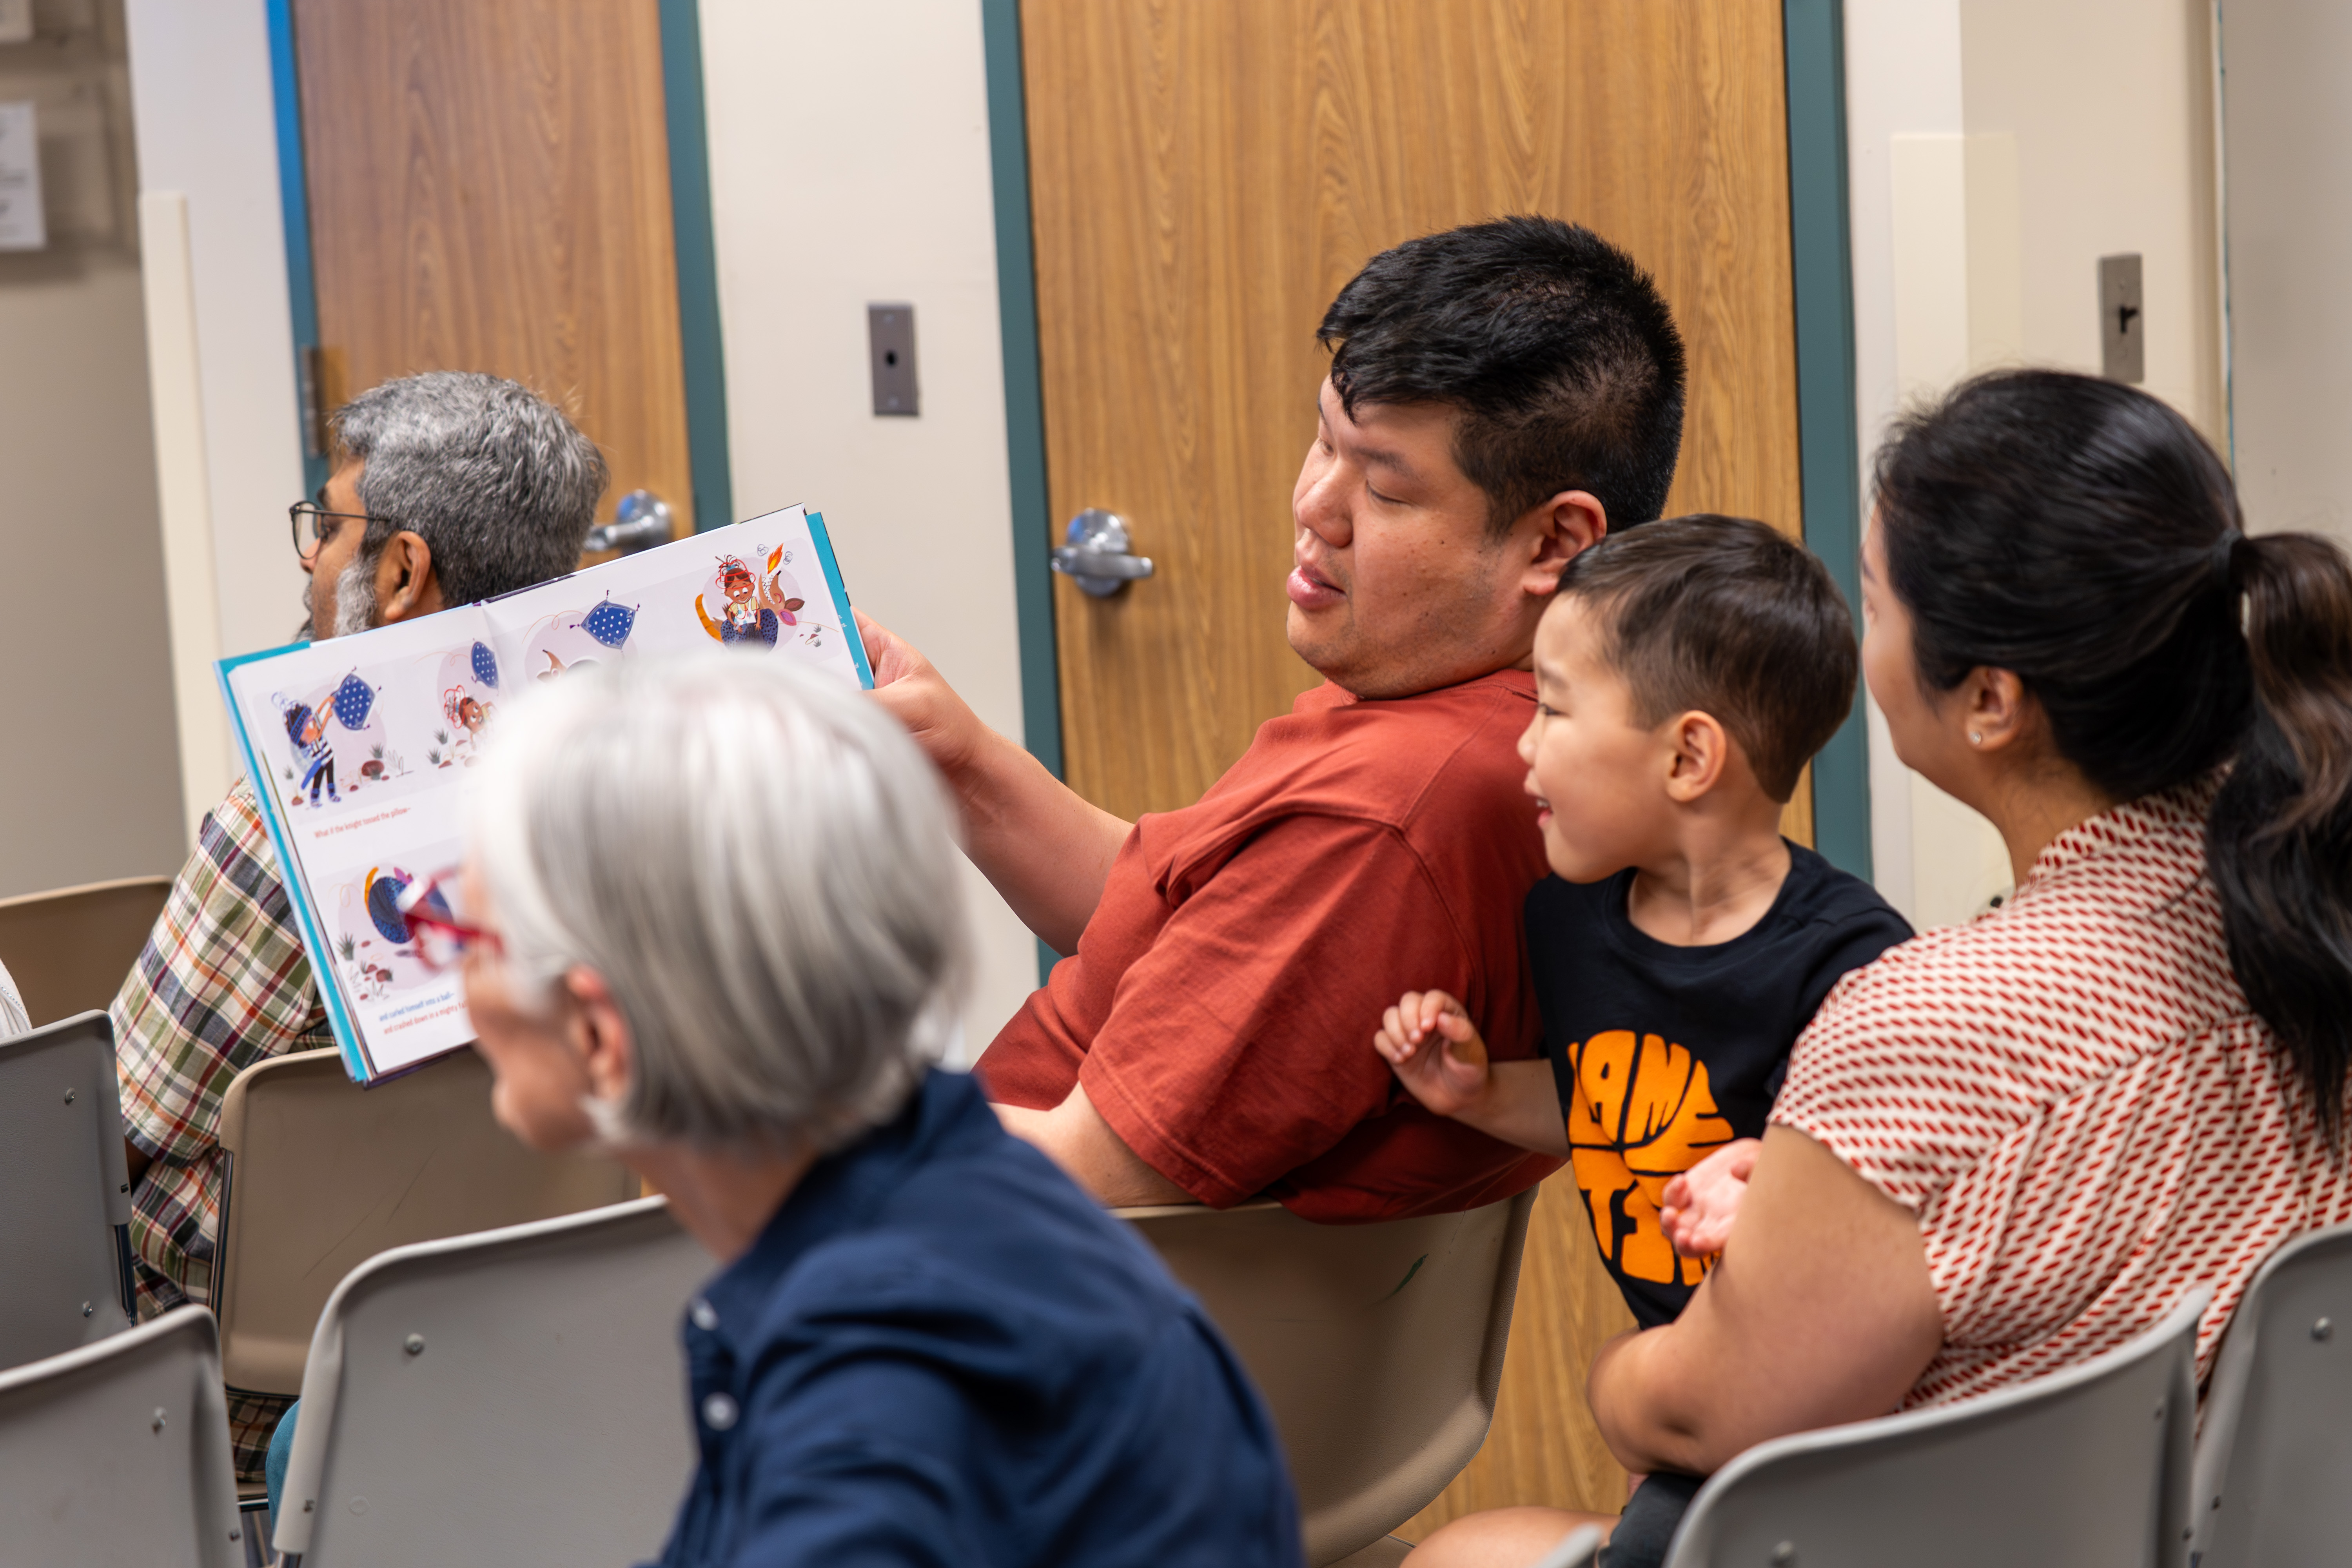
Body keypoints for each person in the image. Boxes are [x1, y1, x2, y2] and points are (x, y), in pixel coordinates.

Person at [1413, 368, 2352, 1568]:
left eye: (1877, 602)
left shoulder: (1930, 1014)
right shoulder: (2307, 905)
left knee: (1460, 1552)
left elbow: (1708, 1412)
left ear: (1993, 701)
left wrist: (1617, 1378)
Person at [862, 216, 1689, 1220]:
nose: (1315, 505)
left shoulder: (1383, 823)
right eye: (1322, 442)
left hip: (970, 1291)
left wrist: (733, 1055)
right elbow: (1198, 933)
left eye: (1383, 484)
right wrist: (956, 758)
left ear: (1553, 540)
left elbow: (1085, 1181)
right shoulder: (1508, 733)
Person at [451, 652, 1303, 1567]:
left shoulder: (881, 1381)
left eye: (467, 942)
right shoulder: (946, 1211)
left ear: (598, 1033)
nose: (457, 981)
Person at [1373, 516, 1910, 1564]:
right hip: (1688, 1403)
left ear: (1689, 755)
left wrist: (1760, 1210)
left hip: (1826, 1426)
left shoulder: (1851, 965)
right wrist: (1482, 1094)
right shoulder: (1567, 921)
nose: (1522, 746)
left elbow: (1884, 1227)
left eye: (1552, 709)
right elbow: (1604, 1104)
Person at [110, 370, 606, 1481]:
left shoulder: (296, 808)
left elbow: (133, 1117)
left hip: (269, 1377)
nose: (308, 558)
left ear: (402, 569)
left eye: (327, 529)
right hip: (551, 1305)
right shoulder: (632, 778)